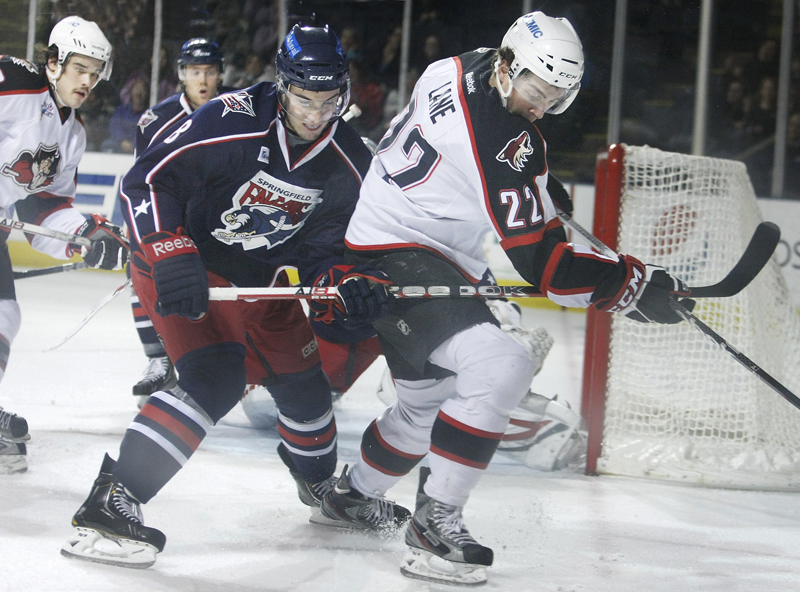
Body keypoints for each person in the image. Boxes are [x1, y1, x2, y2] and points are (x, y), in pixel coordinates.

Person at [311, 11, 694, 586]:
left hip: (397, 234)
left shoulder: (462, 65)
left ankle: (349, 497)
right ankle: (434, 524)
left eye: (556, 99)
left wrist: (533, 184)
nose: (542, 108)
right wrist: (631, 286)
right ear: (510, 67)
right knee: (502, 364)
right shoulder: (501, 139)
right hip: (402, 252)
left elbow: (486, 167)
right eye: (537, 92)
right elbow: (549, 270)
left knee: (425, 407)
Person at [61, 24, 388, 569]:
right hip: (190, 262)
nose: (315, 113)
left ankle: (323, 493)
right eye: (304, 99)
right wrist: (169, 249)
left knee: (306, 389)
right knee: (216, 374)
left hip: (263, 278)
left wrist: (347, 278)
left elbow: (327, 247)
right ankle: (112, 500)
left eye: (329, 100)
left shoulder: (350, 159)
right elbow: (145, 183)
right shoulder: (229, 120)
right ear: (282, 86)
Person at [0, 16, 128, 474]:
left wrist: (84, 236)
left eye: (95, 73)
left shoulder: (71, 134)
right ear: (53, 63)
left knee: (4, 315)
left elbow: (41, 209)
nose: (88, 81)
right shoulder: (14, 82)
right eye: (80, 69)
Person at [126, 38, 228, 405]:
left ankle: (230, 363)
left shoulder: (237, 111)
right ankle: (158, 360)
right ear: (182, 74)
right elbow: (143, 180)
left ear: (220, 74)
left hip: (223, 219)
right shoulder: (155, 120)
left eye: (211, 72)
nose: (203, 80)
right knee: (142, 269)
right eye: (196, 71)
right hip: (174, 216)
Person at [101, 77, 149, 153]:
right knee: (107, 145)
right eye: (137, 88)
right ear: (131, 92)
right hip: (119, 144)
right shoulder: (121, 110)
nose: (139, 92)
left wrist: (133, 143)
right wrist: (122, 141)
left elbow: (146, 134)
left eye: (143, 89)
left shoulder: (149, 114)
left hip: (137, 147)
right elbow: (114, 127)